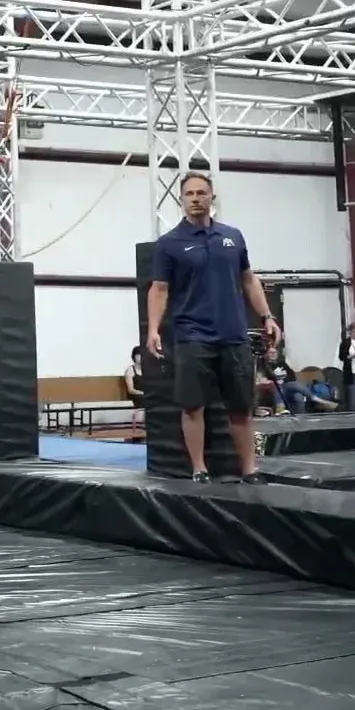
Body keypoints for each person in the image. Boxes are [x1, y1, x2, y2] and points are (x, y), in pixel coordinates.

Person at [146, 171, 281, 484]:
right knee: (193, 405)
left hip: (233, 336)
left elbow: (249, 279)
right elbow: (159, 289)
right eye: (189, 194)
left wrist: (267, 316)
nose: (195, 199)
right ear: (182, 201)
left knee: (241, 407)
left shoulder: (232, 237)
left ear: (211, 197)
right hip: (193, 335)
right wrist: (153, 330)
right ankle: (199, 469)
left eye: (201, 193)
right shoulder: (169, 244)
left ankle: (249, 470)